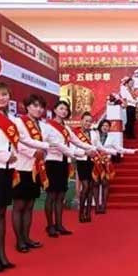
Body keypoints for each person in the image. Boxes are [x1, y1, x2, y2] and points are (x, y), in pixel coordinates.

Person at [0, 81, 46, 273]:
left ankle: (2, 253)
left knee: (0, 213)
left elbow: (18, 143)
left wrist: (34, 152)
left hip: (7, 171)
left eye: (5, 94)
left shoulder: (11, 119)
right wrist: (5, 155)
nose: (2, 98)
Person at [41, 98, 90, 238]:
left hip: (64, 162)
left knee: (61, 194)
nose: (64, 111)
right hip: (52, 162)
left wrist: (91, 148)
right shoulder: (47, 126)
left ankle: (59, 224)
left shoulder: (67, 128)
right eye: (61, 108)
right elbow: (42, 143)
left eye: (66, 109)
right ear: (55, 110)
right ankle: (50, 225)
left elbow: (77, 141)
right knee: (51, 195)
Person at [10, 91, 50, 253]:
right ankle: (19, 241)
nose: (38, 109)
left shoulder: (42, 125)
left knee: (29, 205)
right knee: (19, 205)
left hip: (35, 169)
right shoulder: (18, 121)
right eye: (35, 106)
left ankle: (26, 237)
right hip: (21, 167)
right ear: (27, 107)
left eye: (41, 107)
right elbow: (17, 142)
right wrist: (33, 152)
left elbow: (47, 144)